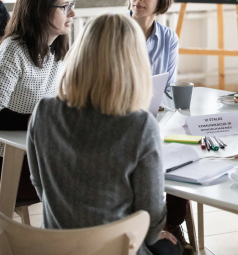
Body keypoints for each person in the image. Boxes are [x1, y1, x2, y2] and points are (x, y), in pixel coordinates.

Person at [27, 14, 183, 255]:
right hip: (116, 248)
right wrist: (153, 234)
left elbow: (39, 183)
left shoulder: (43, 111)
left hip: (55, 245)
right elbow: (150, 213)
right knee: (172, 248)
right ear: (134, 63)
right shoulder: (140, 125)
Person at [127, 0, 192, 253]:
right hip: (122, 117)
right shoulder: (114, 30)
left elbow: (168, 87)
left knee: (185, 150)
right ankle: (155, 223)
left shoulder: (168, 38)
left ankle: (171, 221)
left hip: (153, 115)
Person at [0, 0, 74, 202]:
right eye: (64, 7)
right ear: (40, 10)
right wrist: (37, 120)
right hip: (10, 160)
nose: (72, 13)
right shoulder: (13, 50)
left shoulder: (56, 49)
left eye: (72, 5)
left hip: (40, 151)